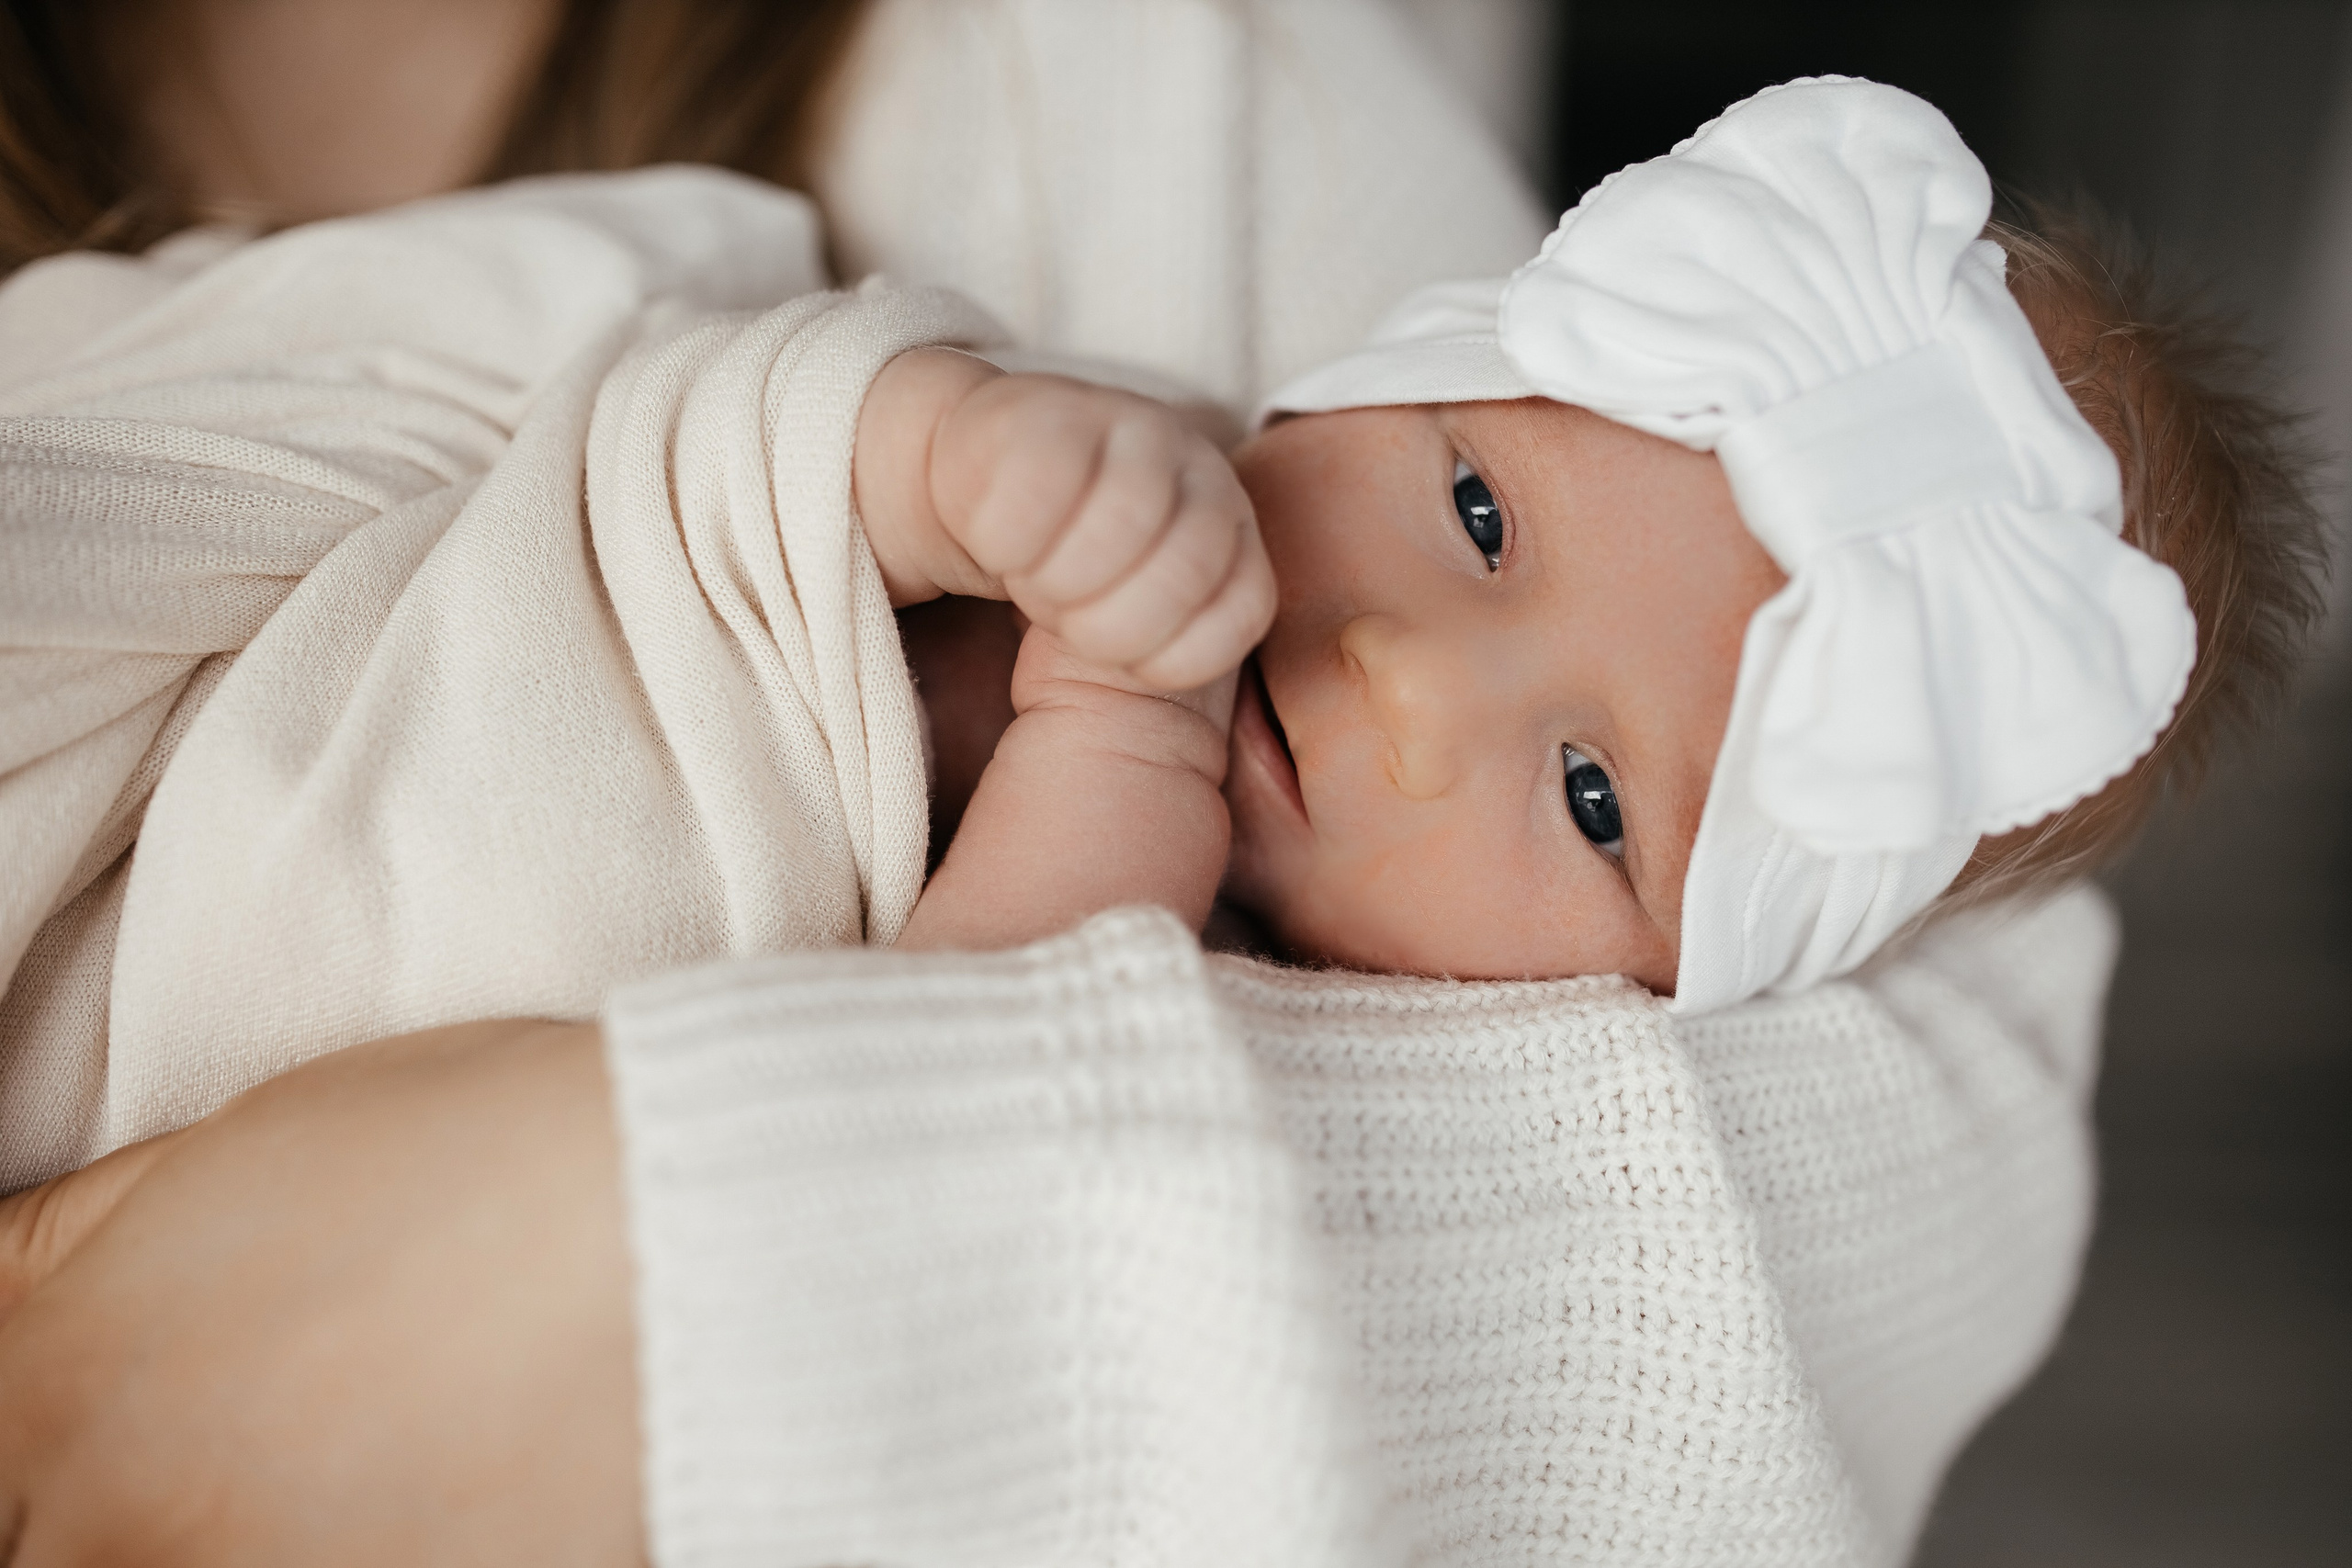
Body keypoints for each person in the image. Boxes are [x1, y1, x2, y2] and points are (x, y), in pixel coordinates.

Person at [0, 9, 2267, 1567]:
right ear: (1405, 368)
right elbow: (683, 441)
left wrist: (1114, 751)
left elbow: (933, 1085)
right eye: (1478, 518)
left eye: (1592, 800)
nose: (1398, 691)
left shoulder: (1211, 976)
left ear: (1673, 976)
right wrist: (922, 447)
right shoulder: (1103, 427)